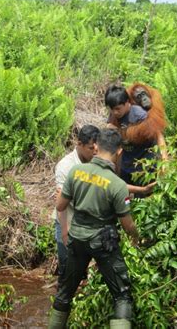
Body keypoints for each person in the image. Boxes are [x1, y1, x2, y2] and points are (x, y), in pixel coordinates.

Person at [48, 129, 140, 329]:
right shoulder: (117, 185)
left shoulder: (76, 172)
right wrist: (137, 238)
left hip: (77, 239)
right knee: (122, 295)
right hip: (103, 243)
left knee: (65, 292)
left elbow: (60, 206)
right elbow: (127, 224)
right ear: (119, 152)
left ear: (97, 147)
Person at [52, 125, 100, 283]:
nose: (95, 151)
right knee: (68, 268)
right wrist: (65, 233)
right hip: (67, 219)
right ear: (79, 144)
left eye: (96, 147)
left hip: (86, 221)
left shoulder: (96, 161)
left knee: (84, 266)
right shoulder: (66, 166)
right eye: (90, 148)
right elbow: (61, 203)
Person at [105, 84, 165, 196]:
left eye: (144, 94)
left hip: (144, 167)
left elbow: (157, 134)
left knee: (143, 196)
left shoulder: (140, 113)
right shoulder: (117, 109)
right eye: (140, 96)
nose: (115, 112)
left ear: (128, 102)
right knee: (124, 197)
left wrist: (164, 160)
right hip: (127, 166)